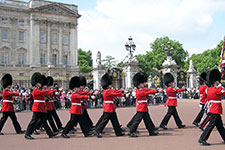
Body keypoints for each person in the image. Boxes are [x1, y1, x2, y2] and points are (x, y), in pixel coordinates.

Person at [25, 72, 57, 140]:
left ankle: (50, 133)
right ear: (36, 84)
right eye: (39, 83)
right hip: (37, 108)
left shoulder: (39, 90)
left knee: (44, 122)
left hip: (42, 108)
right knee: (33, 121)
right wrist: (52, 91)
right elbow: (44, 92)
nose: (40, 84)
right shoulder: (35, 90)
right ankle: (27, 134)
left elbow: (44, 94)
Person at [127, 72, 160, 138]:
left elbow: (147, 90)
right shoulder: (139, 91)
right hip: (141, 107)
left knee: (147, 120)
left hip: (144, 107)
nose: (144, 84)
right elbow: (147, 92)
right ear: (139, 85)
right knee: (137, 121)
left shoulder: (141, 89)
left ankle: (151, 131)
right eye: (142, 83)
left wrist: (156, 90)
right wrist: (155, 91)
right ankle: (131, 132)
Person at [198, 69, 225, 146]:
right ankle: (202, 138)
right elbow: (223, 92)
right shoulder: (217, 90)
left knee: (220, 126)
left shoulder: (208, 89)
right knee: (211, 125)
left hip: (213, 108)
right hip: (215, 109)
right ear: (215, 82)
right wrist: (220, 86)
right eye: (217, 81)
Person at [94, 73, 125, 138]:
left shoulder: (108, 90)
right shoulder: (107, 91)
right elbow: (114, 93)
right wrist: (122, 93)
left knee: (115, 121)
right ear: (107, 85)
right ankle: (97, 131)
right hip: (108, 107)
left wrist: (121, 92)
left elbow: (114, 92)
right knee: (104, 120)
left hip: (111, 107)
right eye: (110, 84)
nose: (111, 85)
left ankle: (118, 132)